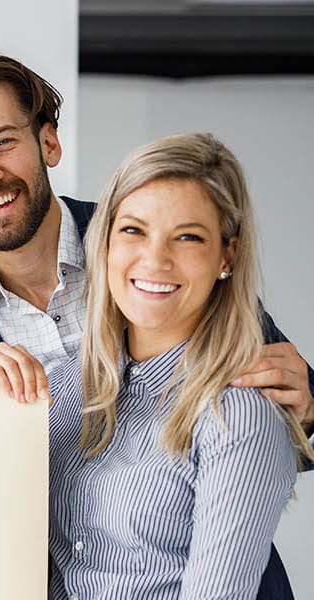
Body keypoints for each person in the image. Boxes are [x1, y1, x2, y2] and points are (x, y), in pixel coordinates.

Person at [0, 53, 312, 597]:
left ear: (49, 143)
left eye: (3, 142)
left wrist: (310, 410)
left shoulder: (150, 248)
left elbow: (265, 417)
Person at [43, 133, 313, 598]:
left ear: (227, 256)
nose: (155, 258)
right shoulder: (63, 391)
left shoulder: (240, 416)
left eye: (188, 236)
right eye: (133, 230)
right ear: (104, 240)